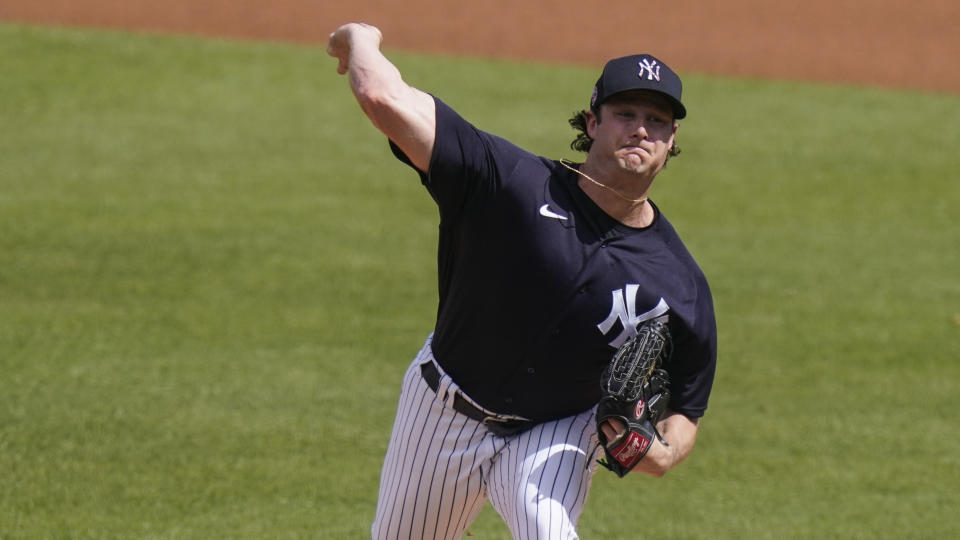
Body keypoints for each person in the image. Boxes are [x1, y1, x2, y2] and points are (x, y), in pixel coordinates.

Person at [328, 22, 717, 540]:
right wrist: (360, 39)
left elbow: (687, 406)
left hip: (556, 429)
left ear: (672, 141)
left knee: (546, 531)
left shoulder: (678, 282)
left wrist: (660, 453)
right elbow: (382, 96)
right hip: (444, 409)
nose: (641, 129)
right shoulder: (509, 182)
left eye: (657, 120)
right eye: (625, 114)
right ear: (592, 122)